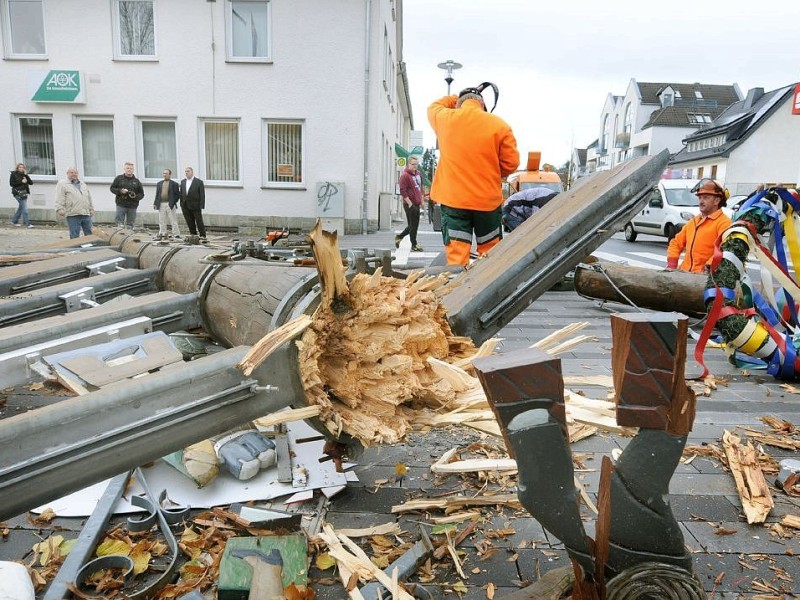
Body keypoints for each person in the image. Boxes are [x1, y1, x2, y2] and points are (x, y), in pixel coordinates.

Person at [428, 89, 519, 265]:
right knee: (490, 252)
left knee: (457, 254)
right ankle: (489, 288)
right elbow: (511, 164)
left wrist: (456, 99)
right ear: (483, 104)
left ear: (458, 104)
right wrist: (489, 173)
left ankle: (458, 288)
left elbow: (434, 105)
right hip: (487, 201)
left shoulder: (444, 118)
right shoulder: (499, 125)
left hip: (454, 200)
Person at [666, 178, 732, 273]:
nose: (701, 201)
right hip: (684, 273)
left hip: (704, 278)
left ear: (716, 201)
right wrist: (671, 265)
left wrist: (708, 268)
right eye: (700, 197)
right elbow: (676, 243)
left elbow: (724, 250)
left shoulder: (724, 223)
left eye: (706, 197)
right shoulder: (693, 222)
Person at [395, 156, 424, 252]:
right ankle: (414, 244)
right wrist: (410, 203)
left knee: (414, 225)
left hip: (416, 203)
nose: (415, 166)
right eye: (413, 164)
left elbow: (420, 189)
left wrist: (422, 201)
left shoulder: (418, 174)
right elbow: (403, 191)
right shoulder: (405, 176)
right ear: (408, 164)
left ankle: (400, 237)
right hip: (409, 204)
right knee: (413, 225)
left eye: (417, 164)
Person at [55, 167, 94, 239]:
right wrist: (60, 208)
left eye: (75, 173)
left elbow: (89, 197)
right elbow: (59, 197)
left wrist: (91, 209)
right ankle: (74, 250)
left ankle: (89, 249)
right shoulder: (62, 184)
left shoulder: (82, 184)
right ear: (67, 174)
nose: (74, 174)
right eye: (71, 172)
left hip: (85, 213)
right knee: (74, 235)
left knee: (89, 234)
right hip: (73, 214)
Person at [110, 161, 144, 229]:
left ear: (133, 170)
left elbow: (141, 194)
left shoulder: (137, 181)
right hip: (121, 204)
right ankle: (119, 238)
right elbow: (112, 188)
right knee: (120, 224)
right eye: (127, 168)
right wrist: (120, 191)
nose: (129, 170)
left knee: (130, 225)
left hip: (132, 206)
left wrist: (135, 197)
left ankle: (128, 237)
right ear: (124, 169)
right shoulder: (119, 179)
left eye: (131, 168)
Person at [154, 168, 181, 239]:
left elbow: (177, 195)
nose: (164, 175)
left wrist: (173, 202)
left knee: (173, 220)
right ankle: (163, 233)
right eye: (163, 173)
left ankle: (176, 234)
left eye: (166, 173)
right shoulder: (159, 183)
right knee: (162, 220)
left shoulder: (174, 184)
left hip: (170, 204)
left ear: (170, 175)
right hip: (161, 204)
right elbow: (157, 194)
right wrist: (155, 203)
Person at [180, 167, 206, 241]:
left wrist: (201, 205)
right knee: (189, 221)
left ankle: (203, 235)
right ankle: (193, 235)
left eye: (188, 171)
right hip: (185, 205)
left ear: (192, 172)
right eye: (185, 171)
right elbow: (181, 193)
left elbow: (202, 194)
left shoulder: (198, 182)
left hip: (195, 205)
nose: (186, 173)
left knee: (199, 221)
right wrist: (181, 203)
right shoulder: (183, 182)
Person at [9, 163, 33, 228]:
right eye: (20, 167)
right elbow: (11, 184)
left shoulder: (24, 175)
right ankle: (27, 223)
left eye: (22, 167)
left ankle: (14, 221)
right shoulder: (13, 174)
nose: (21, 168)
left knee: (21, 208)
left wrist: (26, 175)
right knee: (25, 209)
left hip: (24, 193)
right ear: (17, 168)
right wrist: (21, 182)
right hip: (17, 193)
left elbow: (31, 183)